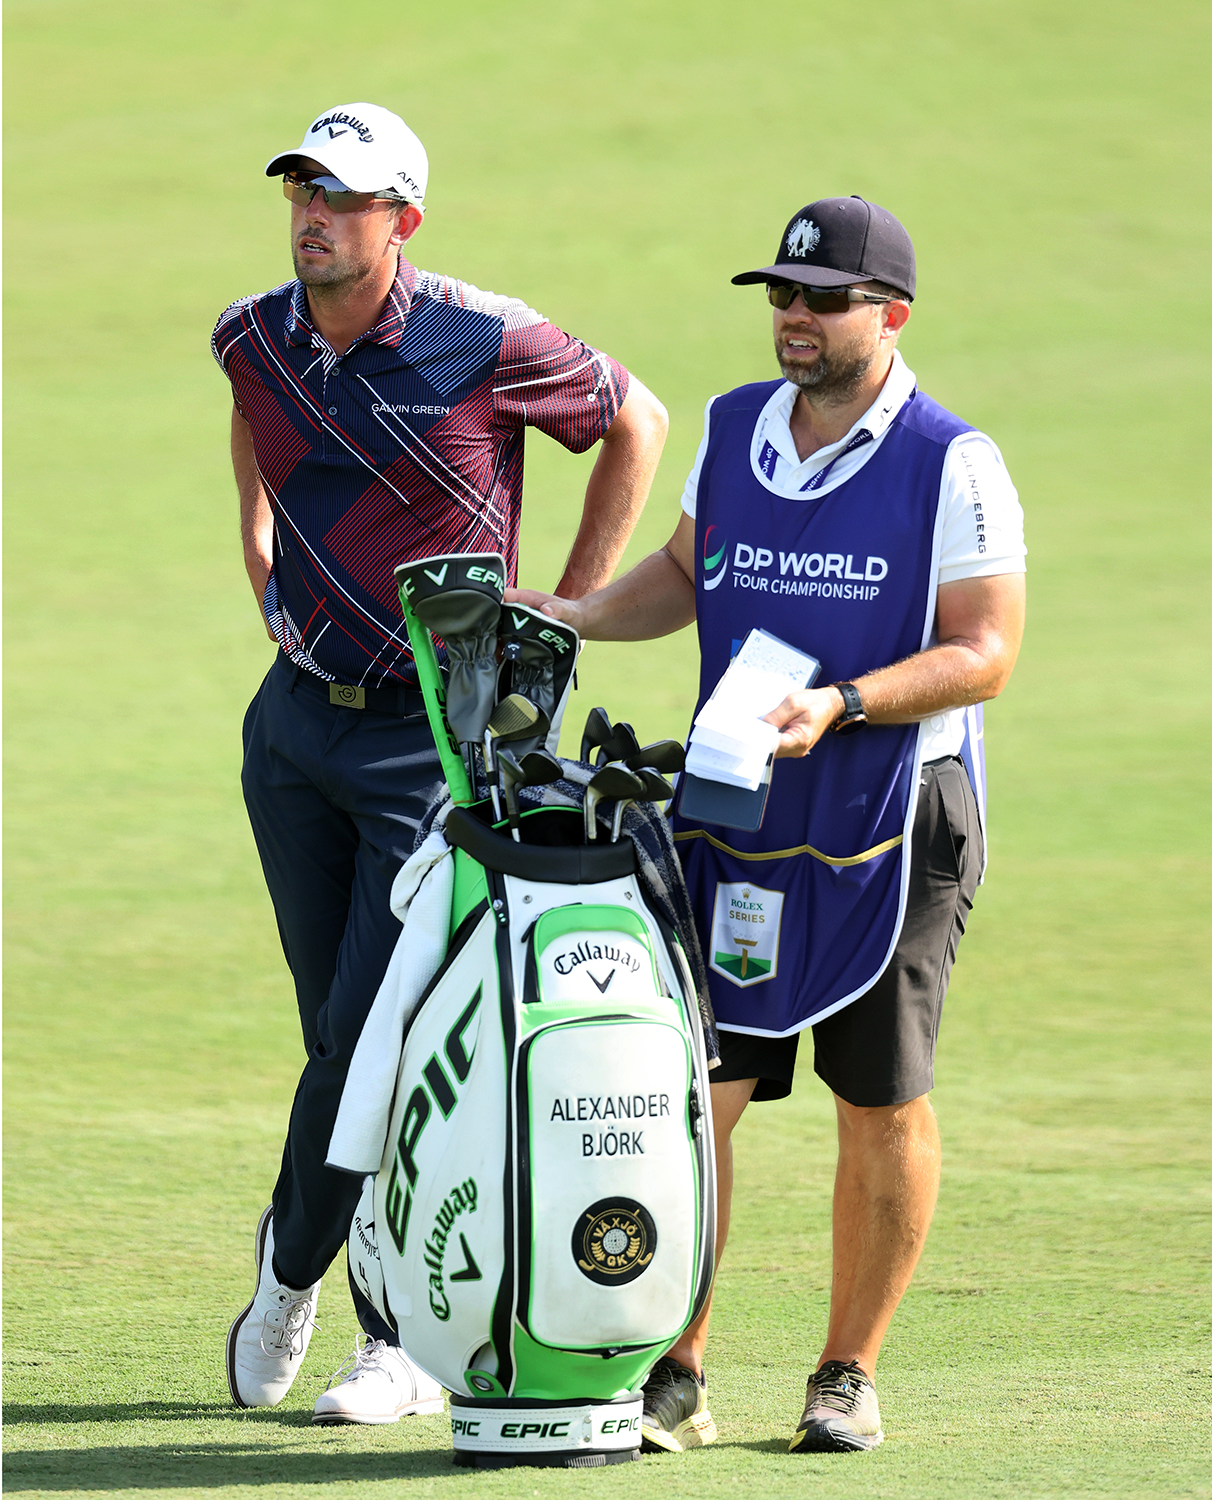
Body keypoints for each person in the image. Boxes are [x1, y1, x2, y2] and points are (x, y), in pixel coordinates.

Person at [510, 196, 1026, 1454]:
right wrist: (562, 612)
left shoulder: (953, 460)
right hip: (738, 808)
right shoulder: (735, 426)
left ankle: (846, 1372)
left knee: (880, 1099)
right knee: (697, 1093)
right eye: (781, 295)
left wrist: (842, 705)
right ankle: (674, 1363)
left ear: (889, 315)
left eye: (823, 298)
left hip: (891, 813)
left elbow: (984, 651)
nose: (794, 317)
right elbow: (688, 578)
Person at [210, 102, 668, 1422]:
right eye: (302, 191)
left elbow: (636, 421)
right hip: (295, 728)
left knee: (379, 1035)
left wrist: (564, 615)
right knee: (333, 1032)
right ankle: (320, 1266)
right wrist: (255, 549)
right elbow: (251, 409)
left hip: (439, 737)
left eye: (343, 199)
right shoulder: (257, 333)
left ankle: (360, 1313)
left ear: (400, 218)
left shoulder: (486, 336)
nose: (314, 217)